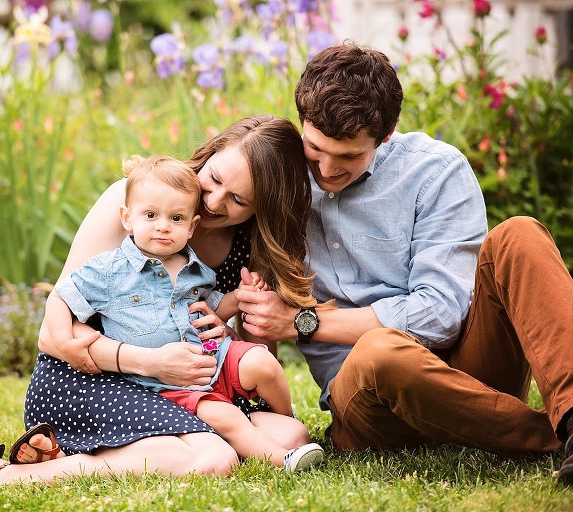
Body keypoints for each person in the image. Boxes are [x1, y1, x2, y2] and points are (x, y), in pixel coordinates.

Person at [0, 114, 322, 487]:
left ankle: (108, 447)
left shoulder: (249, 242)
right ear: (209, 153)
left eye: (239, 200)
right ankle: (4, 476)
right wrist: (151, 361)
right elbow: (51, 335)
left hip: (190, 384)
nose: (215, 202)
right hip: (94, 378)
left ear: (260, 208)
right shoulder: (138, 202)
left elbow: (246, 349)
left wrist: (229, 326)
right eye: (213, 179)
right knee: (215, 460)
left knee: (290, 433)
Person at [234, 42, 573, 484]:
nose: (328, 171)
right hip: (369, 404)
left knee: (519, 234)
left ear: (387, 132)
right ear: (303, 121)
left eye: (349, 156)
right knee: (379, 350)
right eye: (316, 149)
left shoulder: (435, 171)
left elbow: (443, 314)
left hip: (468, 371)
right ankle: (544, 434)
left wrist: (303, 321)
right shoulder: (280, 179)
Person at [52, 153, 324, 471]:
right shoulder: (110, 271)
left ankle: (283, 418)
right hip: (167, 384)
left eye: (176, 219)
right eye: (151, 215)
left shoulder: (194, 268)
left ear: (192, 226)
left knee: (262, 361)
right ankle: (282, 459)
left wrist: (240, 297)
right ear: (127, 218)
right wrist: (64, 340)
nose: (163, 227)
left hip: (213, 356)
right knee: (225, 416)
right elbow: (60, 297)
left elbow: (213, 308)